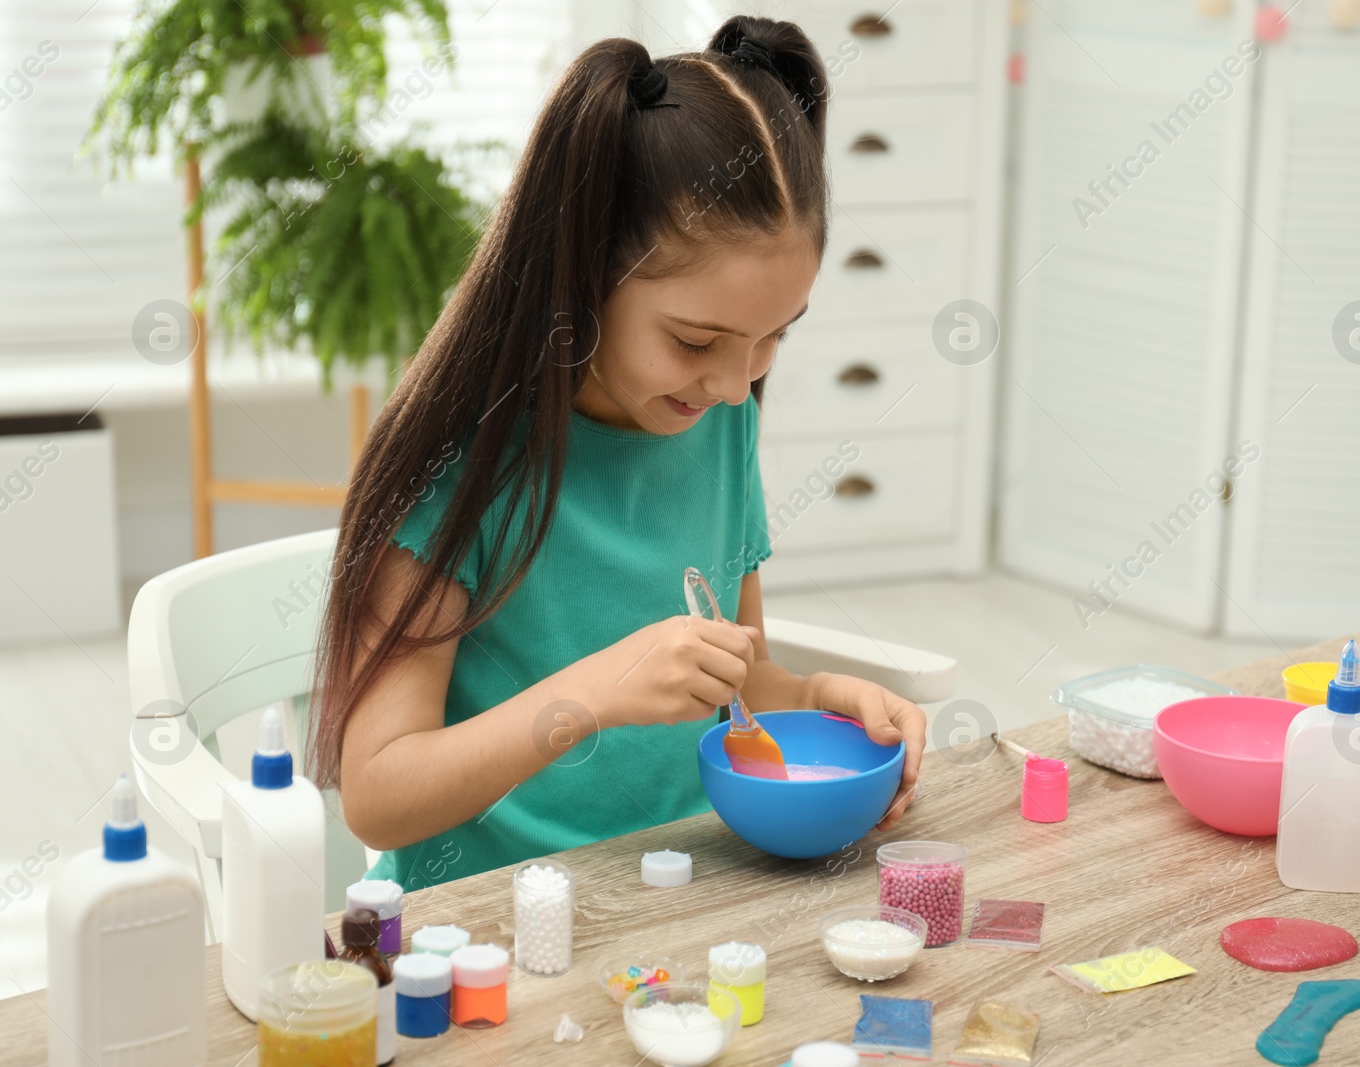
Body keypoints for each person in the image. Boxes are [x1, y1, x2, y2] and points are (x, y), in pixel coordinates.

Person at [309, 16, 926, 891]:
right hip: (502, 927)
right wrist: (591, 692)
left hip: (688, 898)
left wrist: (820, 696)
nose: (733, 382)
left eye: (772, 338)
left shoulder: (719, 417)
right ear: (585, 271)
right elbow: (378, 791)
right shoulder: (464, 463)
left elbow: (736, 676)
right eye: (695, 340)